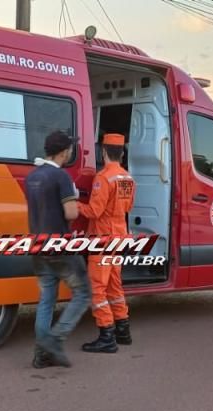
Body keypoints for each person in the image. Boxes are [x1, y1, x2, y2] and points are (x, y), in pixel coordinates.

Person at [25, 130, 92, 369]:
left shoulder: (32, 177)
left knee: (46, 301)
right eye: (70, 148)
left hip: (38, 246)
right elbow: (71, 213)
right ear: (64, 151)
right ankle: (55, 340)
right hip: (60, 247)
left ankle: (41, 355)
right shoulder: (60, 177)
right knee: (84, 293)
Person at [78, 133, 136, 353]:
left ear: (103, 152)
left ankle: (106, 336)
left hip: (103, 238)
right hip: (119, 236)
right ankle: (123, 331)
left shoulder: (103, 178)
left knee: (97, 288)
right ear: (121, 153)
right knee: (114, 286)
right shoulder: (127, 177)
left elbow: (94, 211)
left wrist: (76, 204)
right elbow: (128, 207)